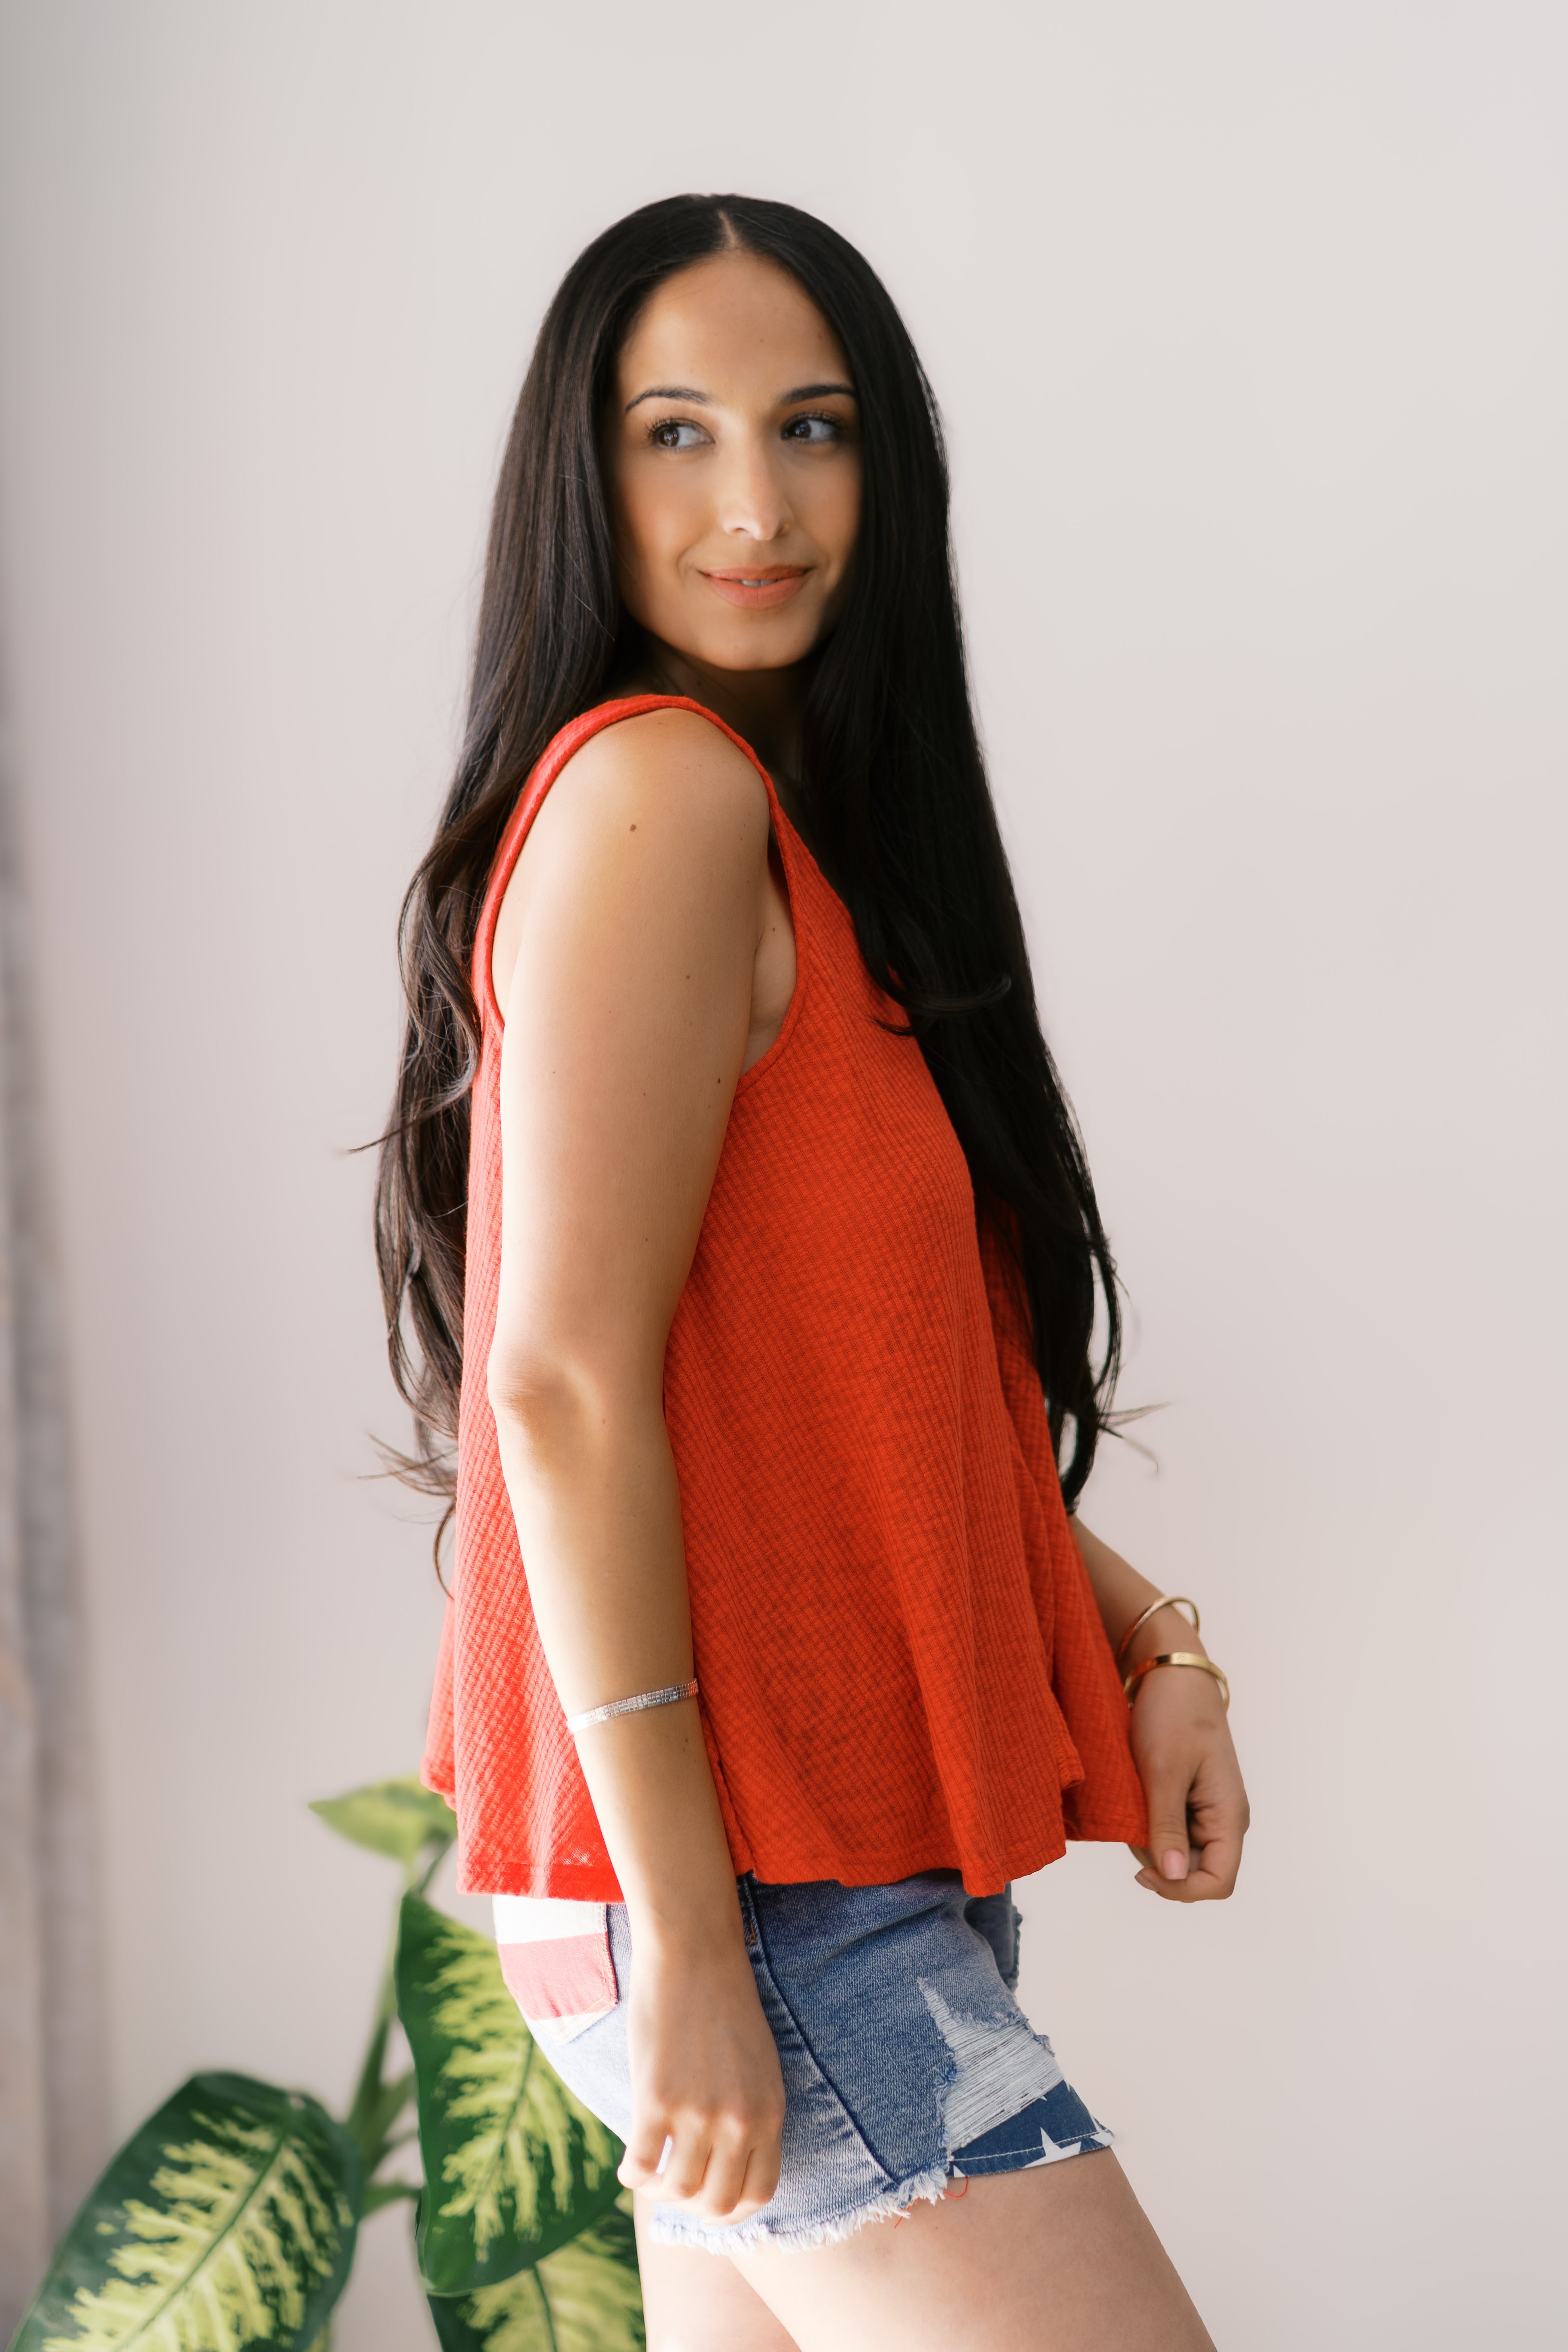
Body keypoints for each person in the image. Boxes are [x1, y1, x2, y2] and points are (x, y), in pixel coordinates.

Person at [378, 193, 1249, 2352]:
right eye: (676, 433)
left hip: (791, 1873)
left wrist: (1152, 1638)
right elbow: (557, 1385)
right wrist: (684, 1929)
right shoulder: (663, 799)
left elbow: (831, 1411)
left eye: (815, 426)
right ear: (579, 481)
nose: (755, 503)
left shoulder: (784, 832)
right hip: (751, 1889)